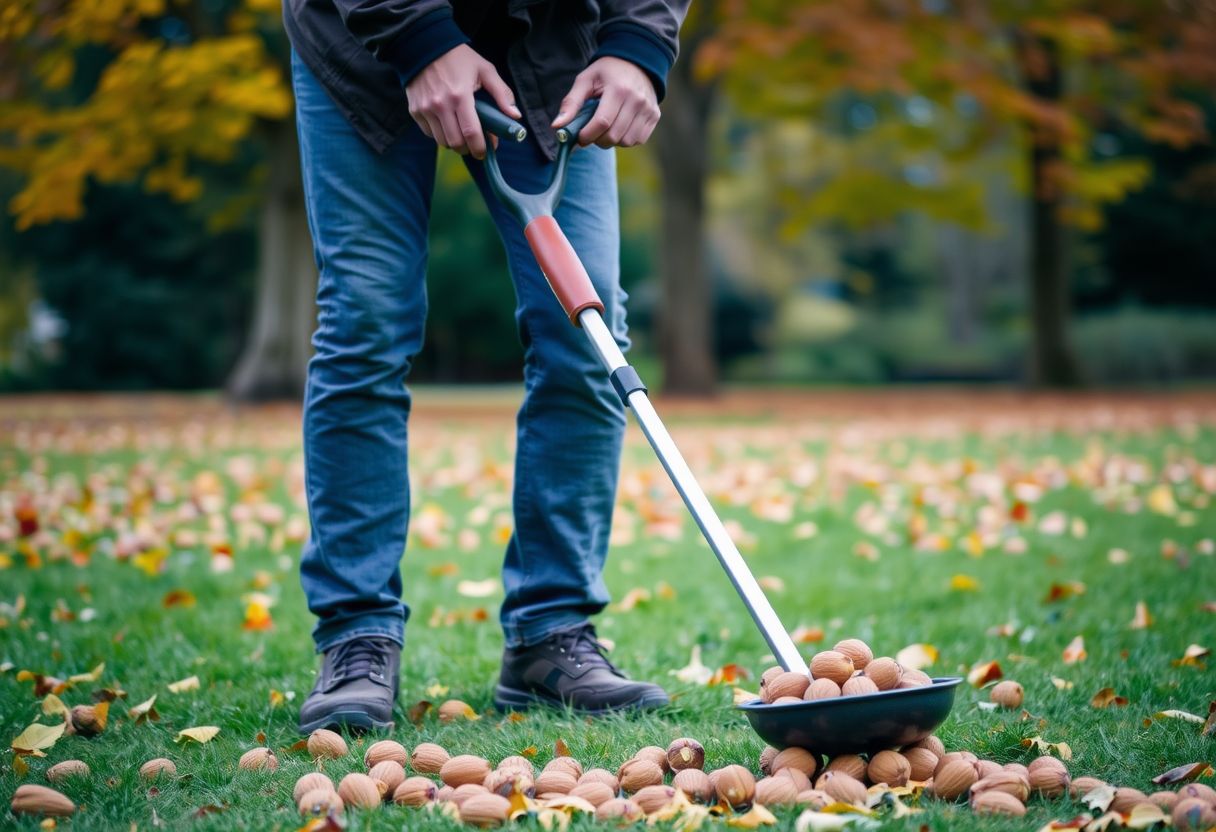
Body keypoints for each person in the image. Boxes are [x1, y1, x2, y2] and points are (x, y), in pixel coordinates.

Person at [282, 0, 690, 733]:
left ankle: (549, 635)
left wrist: (638, 45)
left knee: (587, 337)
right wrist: (417, 36)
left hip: (554, 52)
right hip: (362, 42)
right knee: (366, 323)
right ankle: (356, 636)